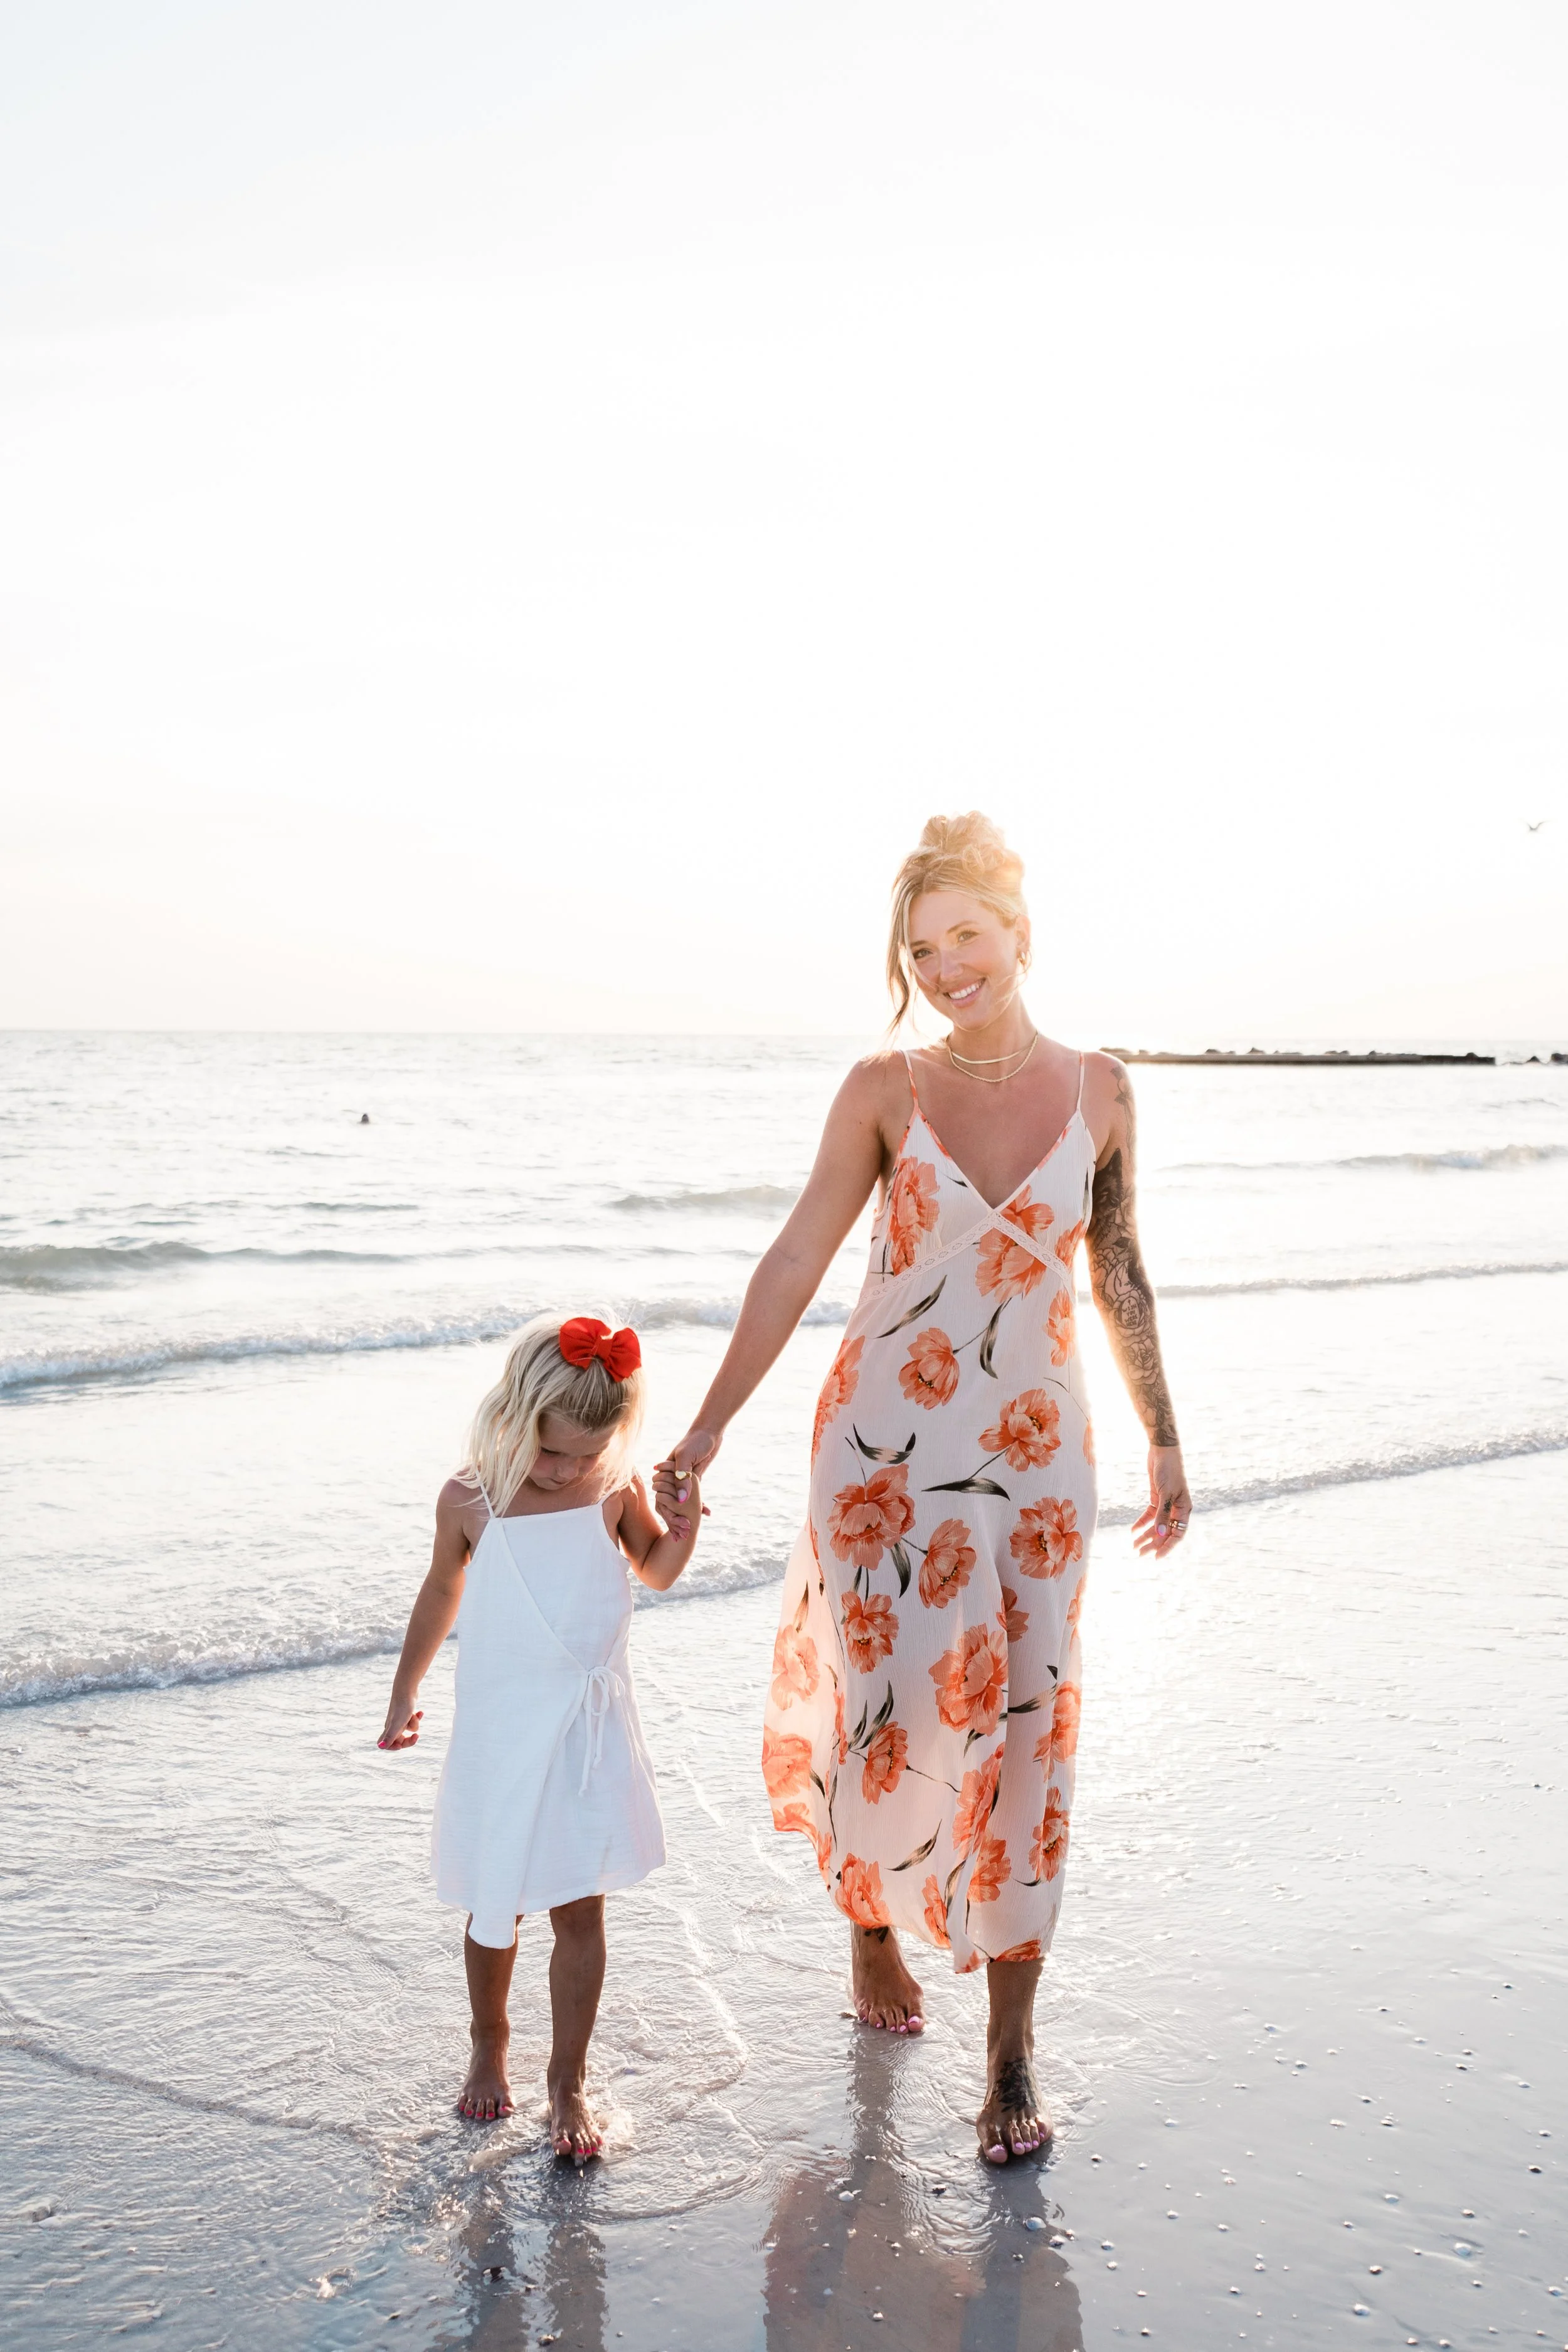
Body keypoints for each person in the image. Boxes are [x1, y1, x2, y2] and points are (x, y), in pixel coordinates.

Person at [655, 812, 1190, 2164]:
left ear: (1019, 928)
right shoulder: (883, 1089)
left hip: (1033, 1465)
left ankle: (1010, 2054)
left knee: (1027, 1730)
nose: (948, 966)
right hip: (879, 1455)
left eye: (966, 935)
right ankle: (870, 1930)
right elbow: (791, 1262)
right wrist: (708, 1428)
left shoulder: (1105, 1089)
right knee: (884, 1706)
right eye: (923, 949)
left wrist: (1164, 1440)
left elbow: (1115, 1271)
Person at [379, 1313, 701, 2161]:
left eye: (584, 1455)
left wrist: (687, 1522)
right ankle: (490, 2039)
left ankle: (569, 2078)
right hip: (501, 1726)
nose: (564, 1471)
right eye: (550, 1451)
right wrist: (404, 1688)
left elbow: (658, 1570)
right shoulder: (470, 1498)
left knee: (579, 1904)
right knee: (496, 1900)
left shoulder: (613, 1487)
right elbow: (441, 1593)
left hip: (585, 1732)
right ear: (515, 1416)